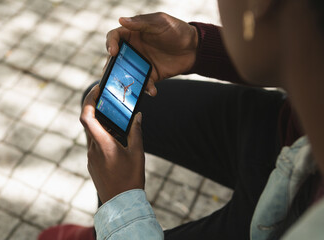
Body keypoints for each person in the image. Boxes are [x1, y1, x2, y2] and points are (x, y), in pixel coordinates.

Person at [38, 0, 324, 239]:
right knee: (103, 107)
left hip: (283, 212)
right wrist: (197, 46)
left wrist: (122, 211)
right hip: (285, 130)